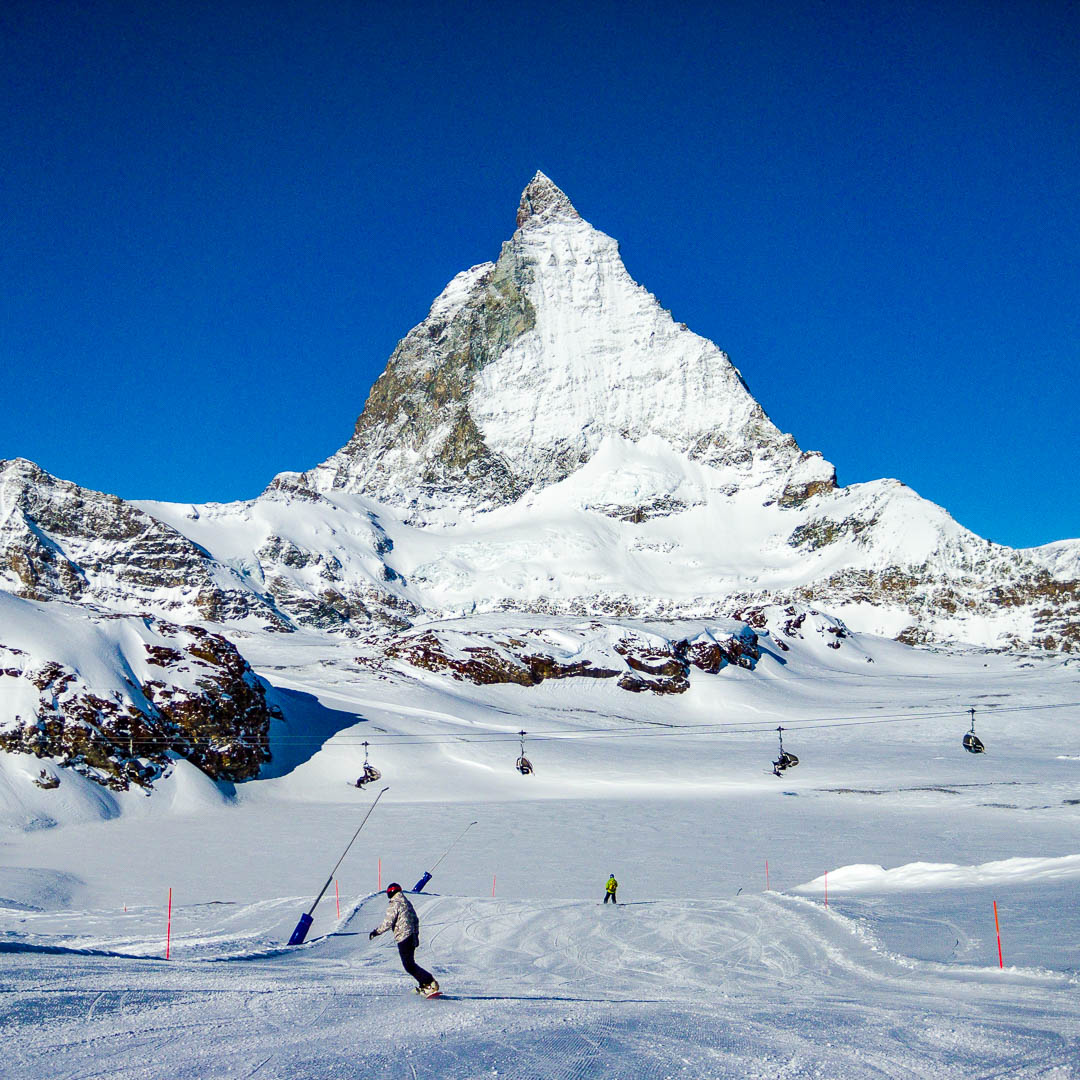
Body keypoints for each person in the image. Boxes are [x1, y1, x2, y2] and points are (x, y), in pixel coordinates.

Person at [369, 883, 439, 995]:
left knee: (409, 965)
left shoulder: (395, 903)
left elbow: (388, 921)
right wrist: (415, 936)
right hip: (411, 936)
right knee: (411, 963)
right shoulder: (407, 903)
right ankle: (424, 984)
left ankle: (429, 981)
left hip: (403, 937)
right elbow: (415, 920)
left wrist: (376, 931)